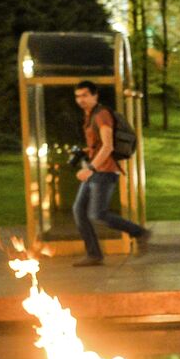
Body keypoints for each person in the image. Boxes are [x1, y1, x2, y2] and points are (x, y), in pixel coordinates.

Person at [72, 80, 149, 266]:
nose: (80, 100)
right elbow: (97, 145)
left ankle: (139, 232)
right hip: (96, 170)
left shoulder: (101, 115)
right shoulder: (89, 115)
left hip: (104, 171)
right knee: (79, 210)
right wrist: (84, 152)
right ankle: (94, 254)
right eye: (77, 96)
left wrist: (89, 169)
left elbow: (108, 146)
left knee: (97, 214)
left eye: (84, 95)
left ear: (94, 95)